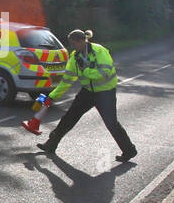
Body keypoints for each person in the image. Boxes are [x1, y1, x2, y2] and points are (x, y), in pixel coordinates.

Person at [36, 29, 137, 162]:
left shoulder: (99, 51)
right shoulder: (75, 57)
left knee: (111, 124)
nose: (73, 47)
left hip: (105, 93)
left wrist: (86, 71)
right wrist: (52, 96)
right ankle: (51, 144)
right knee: (69, 118)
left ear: (82, 41)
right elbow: (67, 80)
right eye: (71, 44)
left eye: (74, 44)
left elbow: (104, 73)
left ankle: (129, 151)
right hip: (88, 91)